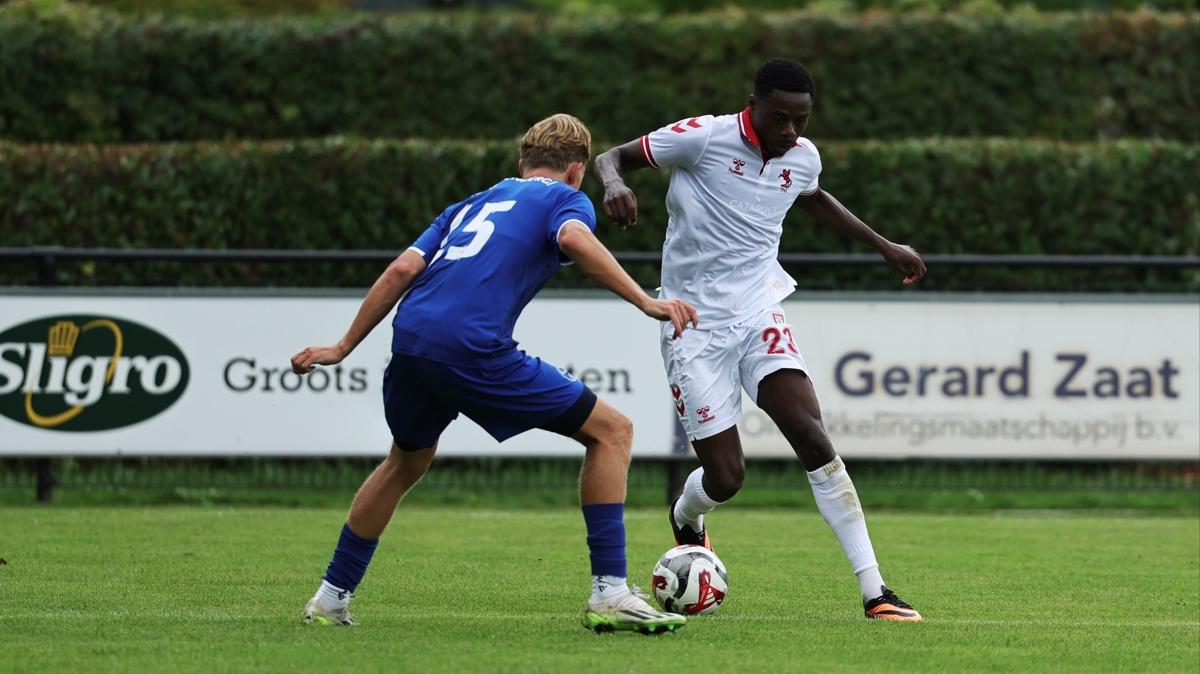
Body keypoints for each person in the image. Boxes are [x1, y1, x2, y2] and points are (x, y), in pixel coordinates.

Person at [292, 113, 698, 634]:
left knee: (404, 461)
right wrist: (646, 300)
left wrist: (343, 345)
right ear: (576, 170)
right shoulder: (564, 199)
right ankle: (610, 593)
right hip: (471, 345)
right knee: (612, 431)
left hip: (412, 338)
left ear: (521, 163)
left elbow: (401, 270)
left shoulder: (469, 204)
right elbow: (574, 238)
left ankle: (330, 598)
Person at [593, 58, 927, 622]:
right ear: (754, 105)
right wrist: (615, 183)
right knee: (727, 477)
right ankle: (687, 515)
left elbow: (814, 196)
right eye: (781, 118)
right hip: (691, 325)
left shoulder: (802, 156)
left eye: (801, 119)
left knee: (812, 436)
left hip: (758, 313)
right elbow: (611, 156)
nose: (792, 131)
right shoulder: (703, 137)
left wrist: (884, 245)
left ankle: (876, 592)